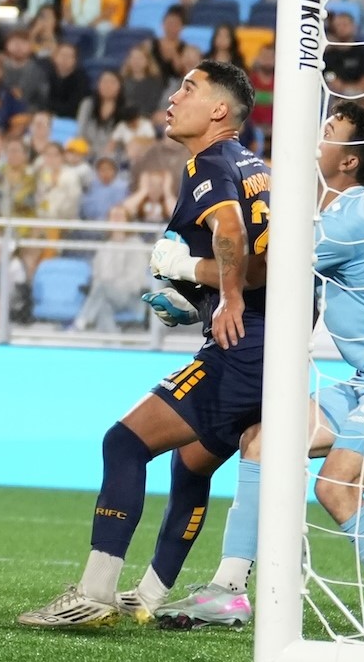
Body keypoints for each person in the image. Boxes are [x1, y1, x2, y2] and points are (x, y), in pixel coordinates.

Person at [153, 102, 364, 645]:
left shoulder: (351, 220)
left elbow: (264, 272)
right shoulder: (333, 216)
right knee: (262, 440)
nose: (317, 137)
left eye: (329, 131)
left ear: (349, 160)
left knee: (337, 487)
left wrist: (180, 267)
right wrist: (197, 303)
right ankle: (228, 588)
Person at [19, 60, 269, 628]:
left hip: (242, 348)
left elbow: (231, 233)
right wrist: (203, 300)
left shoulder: (210, 162)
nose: (173, 97)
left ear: (219, 111)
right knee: (191, 465)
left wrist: (222, 295)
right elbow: (263, 266)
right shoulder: (256, 168)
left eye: (189, 89)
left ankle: (94, 593)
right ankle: (149, 596)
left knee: (124, 443)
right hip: (267, 347)